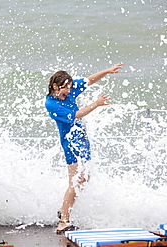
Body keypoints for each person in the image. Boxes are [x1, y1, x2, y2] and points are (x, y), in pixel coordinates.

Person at [45, 62, 124, 234]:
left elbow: (89, 81)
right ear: (55, 86)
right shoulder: (51, 104)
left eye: (70, 88)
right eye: (65, 88)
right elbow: (76, 115)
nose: (68, 91)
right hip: (70, 143)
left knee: (85, 177)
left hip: (82, 139)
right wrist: (96, 104)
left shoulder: (69, 91)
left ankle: (63, 210)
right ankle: (63, 222)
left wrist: (107, 70)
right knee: (75, 180)